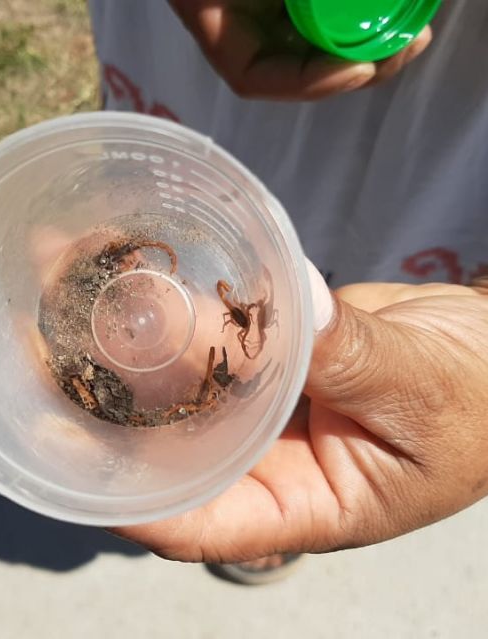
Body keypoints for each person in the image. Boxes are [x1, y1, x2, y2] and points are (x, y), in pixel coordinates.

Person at [87, 0, 488, 583]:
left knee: (371, 303)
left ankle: (272, 447)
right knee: (169, 233)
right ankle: (230, 451)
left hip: (446, 106)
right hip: (191, 56)